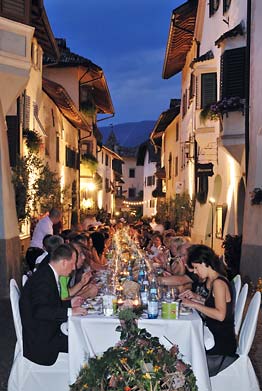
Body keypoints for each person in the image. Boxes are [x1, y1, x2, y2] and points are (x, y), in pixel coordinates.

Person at [20, 244, 87, 366]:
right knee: (84, 342)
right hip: (42, 342)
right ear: (63, 263)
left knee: (82, 335)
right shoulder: (44, 278)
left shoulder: (48, 272)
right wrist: (70, 312)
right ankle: (78, 381)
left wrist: (69, 303)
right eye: (72, 264)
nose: (73, 269)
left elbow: (49, 302)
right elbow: (40, 311)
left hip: (45, 331)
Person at [180, 244, 238, 377]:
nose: (195, 271)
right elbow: (213, 304)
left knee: (184, 349)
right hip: (216, 335)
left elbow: (220, 315)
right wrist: (196, 298)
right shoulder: (215, 280)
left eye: (196, 267)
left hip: (220, 343)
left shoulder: (218, 283)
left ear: (205, 263)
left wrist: (194, 305)